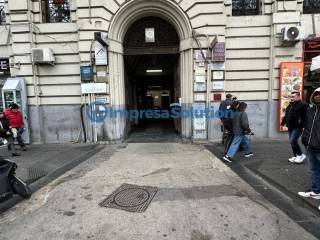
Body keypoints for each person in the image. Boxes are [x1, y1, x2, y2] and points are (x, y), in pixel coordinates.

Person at [298, 88, 320, 199]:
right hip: (310, 146)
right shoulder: (311, 110)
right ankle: (316, 191)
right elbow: (307, 127)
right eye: (315, 94)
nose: (317, 96)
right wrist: (305, 141)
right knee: (313, 169)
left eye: (319, 94)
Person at [281, 92, 308, 164]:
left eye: (293, 97)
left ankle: (300, 155)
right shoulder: (290, 106)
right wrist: (282, 124)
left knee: (293, 141)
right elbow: (286, 115)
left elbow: (305, 117)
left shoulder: (303, 105)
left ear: (299, 97)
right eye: (291, 97)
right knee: (292, 142)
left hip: (298, 127)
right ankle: (296, 155)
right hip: (290, 126)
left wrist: (303, 126)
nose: (291, 98)